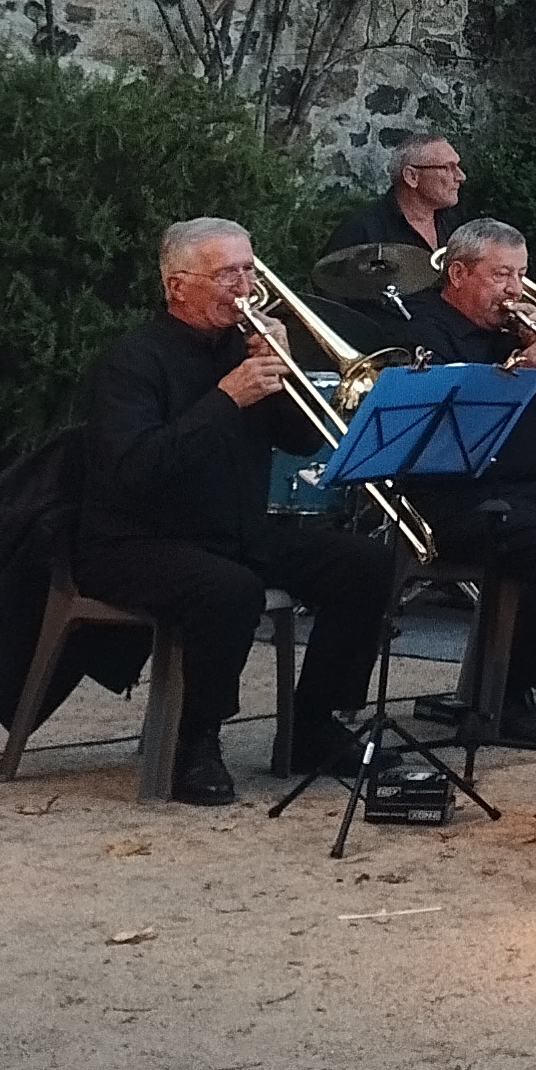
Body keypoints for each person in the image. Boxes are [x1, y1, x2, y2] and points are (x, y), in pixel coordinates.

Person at [74, 218, 406, 806]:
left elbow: (305, 442)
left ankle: (313, 723)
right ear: (178, 286)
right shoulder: (131, 361)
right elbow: (135, 471)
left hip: (234, 526)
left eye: (250, 269)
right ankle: (196, 740)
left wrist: (284, 373)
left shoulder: (248, 349)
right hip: (136, 538)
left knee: (365, 562)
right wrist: (226, 399)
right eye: (228, 272)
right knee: (228, 589)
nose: (245, 285)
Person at [394, 215, 536, 747]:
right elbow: (446, 437)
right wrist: (516, 375)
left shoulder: (517, 330)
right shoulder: (424, 331)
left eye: (521, 275)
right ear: (458, 274)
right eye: (501, 276)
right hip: (463, 499)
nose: (515, 291)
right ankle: (510, 695)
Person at [328, 134, 465, 261]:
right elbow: (331, 281)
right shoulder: (362, 231)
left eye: (457, 166)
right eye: (447, 168)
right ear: (411, 177)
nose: (460, 176)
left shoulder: (455, 223)